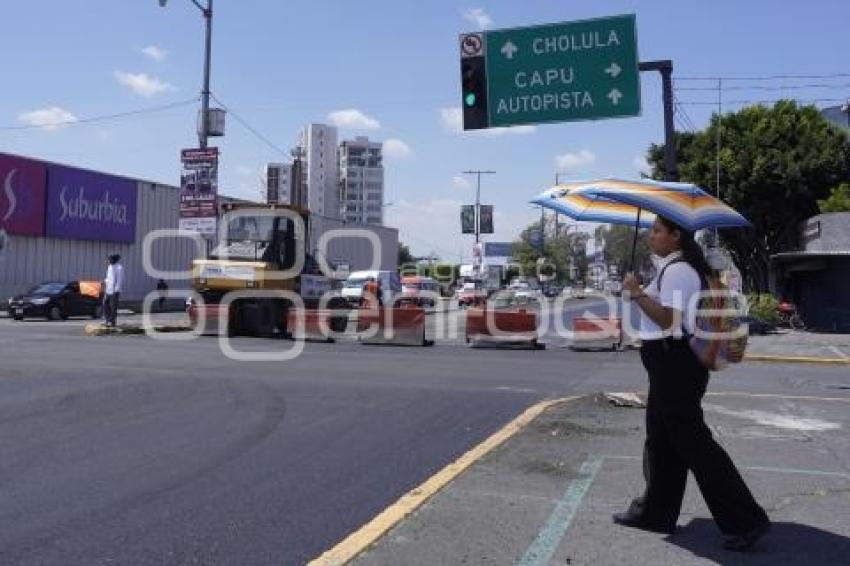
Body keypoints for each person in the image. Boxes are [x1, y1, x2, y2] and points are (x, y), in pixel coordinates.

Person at [615, 215, 770, 551]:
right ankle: (655, 513)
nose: (651, 236)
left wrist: (637, 293)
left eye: (657, 231)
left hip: (676, 363)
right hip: (666, 362)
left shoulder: (680, 271)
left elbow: (669, 319)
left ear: (675, 236)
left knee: (693, 443)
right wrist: (637, 294)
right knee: (660, 439)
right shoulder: (671, 268)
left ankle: (745, 520)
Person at [103, 254, 124, 327]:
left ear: (114, 259)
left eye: (110, 259)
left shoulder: (119, 268)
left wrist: (116, 290)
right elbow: (108, 278)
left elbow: (119, 280)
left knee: (113, 306)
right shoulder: (109, 267)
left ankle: (112, 322)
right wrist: (105, 281)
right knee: (105, 305)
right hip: (108, 289)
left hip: (115, 291)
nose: (108, 260)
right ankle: (107, 320)